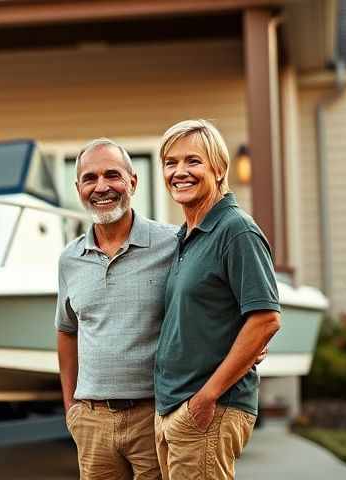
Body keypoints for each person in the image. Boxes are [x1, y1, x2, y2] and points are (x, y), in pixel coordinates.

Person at [154, 119, 281, 480]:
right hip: (174, 409)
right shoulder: (186, 234)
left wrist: (205, 399)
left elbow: (266, 319)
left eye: (193, 161)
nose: (179, 172)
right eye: (170, 162)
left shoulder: (235, 230)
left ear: (219, 168)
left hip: (210, 409)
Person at [56, 138, 177, 480]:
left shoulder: (172, 243)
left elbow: (208, 301)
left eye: (112, 175)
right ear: (78, 187)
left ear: (133, 182)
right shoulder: (69, 259)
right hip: (93, 422)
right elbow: (67, 332)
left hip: (154, 415)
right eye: (90, 178)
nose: (101, 187)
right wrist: (72, 411)